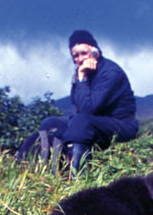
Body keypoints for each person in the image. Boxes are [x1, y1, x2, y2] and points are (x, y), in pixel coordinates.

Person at [37, 30, 138, 172]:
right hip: (94, 122)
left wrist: (82, 78)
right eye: (75, 56)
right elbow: (77, 103)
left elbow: (87, 109)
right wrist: (80, 78)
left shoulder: (110, 73)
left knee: (81, 121)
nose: (80, 59)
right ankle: (45, 169)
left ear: (96, 53)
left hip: (121, 125)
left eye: (84, 53)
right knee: (49, 123)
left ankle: (77, 177)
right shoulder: (82, 72)